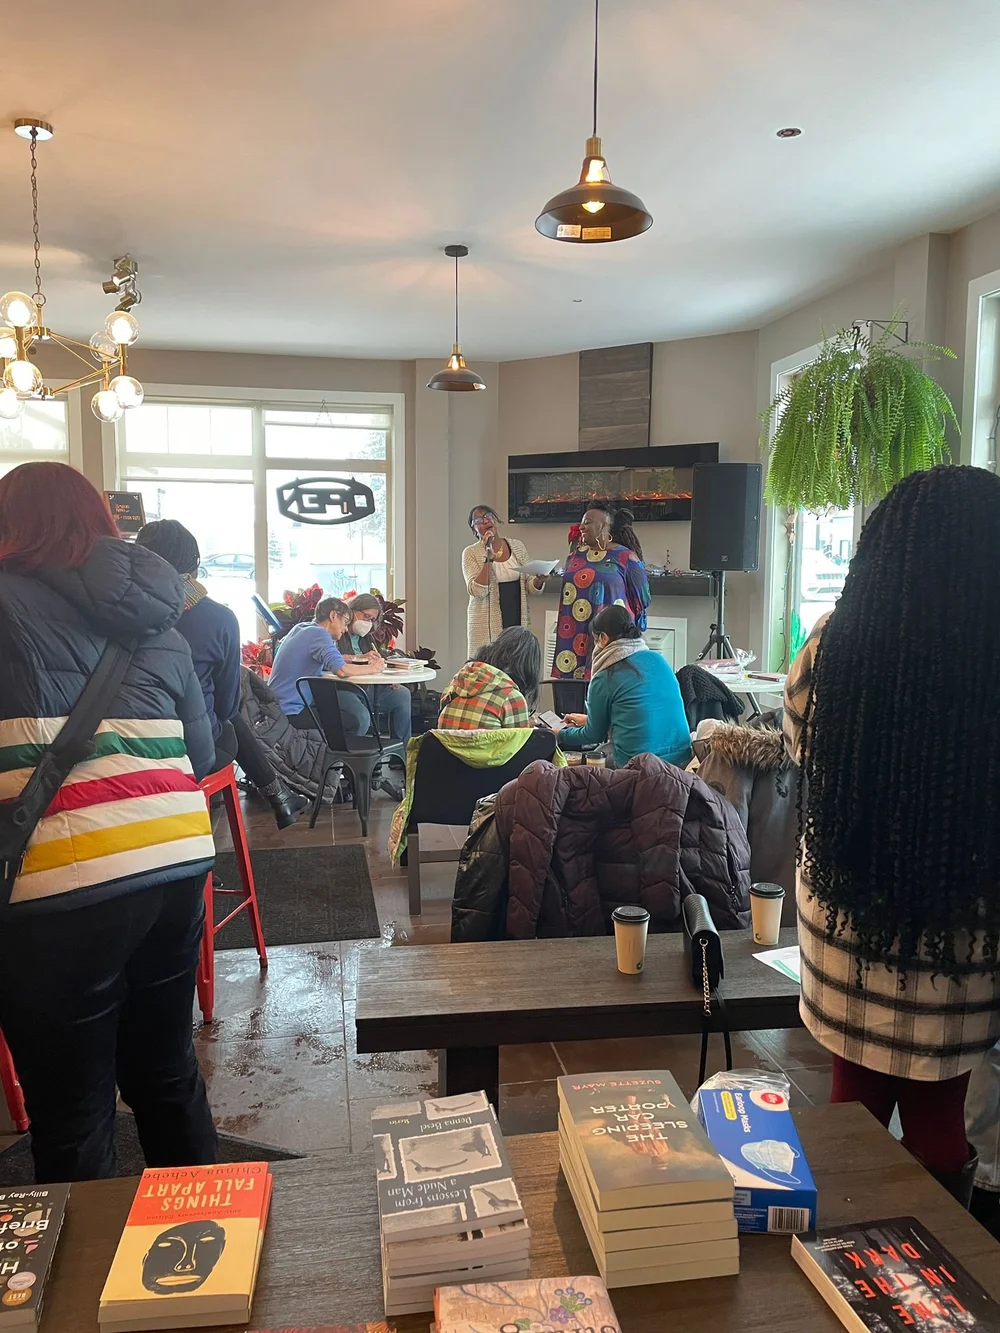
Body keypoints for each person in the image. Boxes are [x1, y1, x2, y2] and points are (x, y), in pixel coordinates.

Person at [783, 465, 1000, 1204]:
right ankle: (940, 1276)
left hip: (850, 910)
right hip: (963, 936)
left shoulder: (834, 643)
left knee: (853, 1097)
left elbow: (800, 747)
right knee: (942, 1114)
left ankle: (840, 1254)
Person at [0, 462, 218, 1182]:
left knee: (74, 1114)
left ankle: (89, 1286)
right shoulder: (163, 623)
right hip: (175, 861)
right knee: (166, 1071)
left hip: (60, 885)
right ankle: (213, 1252)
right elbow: (207, 753)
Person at [135, 520, 308, 830]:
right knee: (226, 720)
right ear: (195, 565)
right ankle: (277, 795)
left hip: (121, 748)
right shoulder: (217, 618)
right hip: (188, 752)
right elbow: (227, 707)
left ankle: (279, 795)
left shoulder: (116, 609)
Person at [555, 605, 690, 768]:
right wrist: (589, 721)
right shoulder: (658, 659)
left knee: (596, 756)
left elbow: (593, 735)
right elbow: (639, 711)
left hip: (640, 767)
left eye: (595, 639)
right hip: (682, 761)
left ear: (603, 638)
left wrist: (560, 734)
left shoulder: (606, 676)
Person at [552, 504, 649, 687]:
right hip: (573, 634)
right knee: (572, 694)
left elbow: (642, 599)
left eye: (587, 522)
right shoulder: (575, 556)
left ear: (604, 526)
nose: (581, 527)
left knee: (607, 687)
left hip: (610, 636)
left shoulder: (626, 557)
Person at [267, 595, 386, 737]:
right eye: (345, 622)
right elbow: (342, 670)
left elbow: (331, 659)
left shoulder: (302, 628)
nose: (346, 629)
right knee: (354, 721)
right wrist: (374, 668)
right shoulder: (320, 634)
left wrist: (358, 657)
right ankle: (339, 758)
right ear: (333, 616)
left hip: (275, 707)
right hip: (292, 710)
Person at [462, 505, 546, 657]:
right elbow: (479, 591)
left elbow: (529, 584)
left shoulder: (517, 546)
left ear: (495, 520)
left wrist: (539, 580)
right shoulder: (471, 553)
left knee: (516, 665)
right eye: (479, 520)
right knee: (490, 667)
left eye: (488, 516)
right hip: (486, 623)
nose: (485, 521)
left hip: (516, 616)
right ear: (474, 530)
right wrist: (488, 558)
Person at [338, 592, 412, 746]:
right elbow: (333, 661)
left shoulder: (366, 637)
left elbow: (375, 664)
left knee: (402, 695)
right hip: (344, 689)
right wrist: (359, 658)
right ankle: (352, 759)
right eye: (366, 616)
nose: (368, 622)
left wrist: (388, 678)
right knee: (361, 717)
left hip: (368, 688)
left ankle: (400, 754)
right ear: (352, 610)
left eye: (372, 619)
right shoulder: (337, 632)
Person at [438, 627, 541, 730]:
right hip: (487, 746)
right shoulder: (512, 697)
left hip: (446, 745)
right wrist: (529, 728)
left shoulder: (457, 682)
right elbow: (520, 742)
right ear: (528, 667)